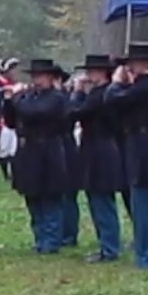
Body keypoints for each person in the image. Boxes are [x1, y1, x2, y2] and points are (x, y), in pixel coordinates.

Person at [105, 43, 148, 268]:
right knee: (140, 201)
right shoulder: (141, 86)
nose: (129, 67)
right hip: (138, 142)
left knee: (146, 202)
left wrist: (115, 83)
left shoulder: (145, 87)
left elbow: (112, 99)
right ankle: (146, 250)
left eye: (134, 63)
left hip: (145, 145)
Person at [9, 59, 69, 254]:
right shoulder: (28, 97)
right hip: (28, 150)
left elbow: (36, 112)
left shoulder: (56, 98)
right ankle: (40, 237)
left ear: (51, 78)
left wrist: (16, 99)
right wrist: (9, 102)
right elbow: (11, 119)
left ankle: (52, 240)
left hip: (49, 149)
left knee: (50, 196)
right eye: (35, 76)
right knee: (32, 196)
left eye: (41, 76)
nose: (37, 80)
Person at [70, 55, 125, 262]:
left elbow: (75, 112)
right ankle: (107, 244)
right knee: (97, 198)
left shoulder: (101, 95)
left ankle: (109, 247)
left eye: (92, 71)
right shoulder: (102, 93)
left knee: (102, 199)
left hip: (100, 148)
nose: (88, 75)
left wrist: (77, 92)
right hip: (97, 146)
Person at [55, 66, 80, 249]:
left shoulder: (65, 100)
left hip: (66, 145)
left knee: (68, 194)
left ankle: (69, 234)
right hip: (54, 146)